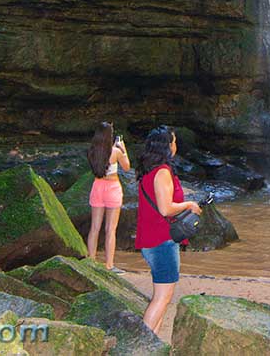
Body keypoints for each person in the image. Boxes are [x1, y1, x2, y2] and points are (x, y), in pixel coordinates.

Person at [135, 126, 201, 332]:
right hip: (161, 241)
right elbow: (165, 209)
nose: (176, 145)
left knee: (163, 297)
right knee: (162, 298)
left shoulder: (149, 170)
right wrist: (188, 205)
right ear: (167, 146)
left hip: (151, 238)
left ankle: (152, 344)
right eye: (173, 141)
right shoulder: (163, 172)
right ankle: (142, 343)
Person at [85, 121, 129, 272]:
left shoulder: (92, 151)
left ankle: (91, 260)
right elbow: (127, 166)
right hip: (112, 188)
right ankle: (109, 265)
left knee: (94, 227)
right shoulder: (115, 152)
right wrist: (123, 149)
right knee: (110, 229)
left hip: (97, 187)